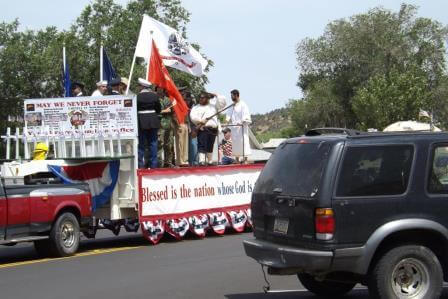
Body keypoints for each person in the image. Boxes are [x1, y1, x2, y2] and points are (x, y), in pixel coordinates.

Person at [190, 91, 226, 165]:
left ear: (207, 98)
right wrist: (200, 121)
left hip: (212, 129)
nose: (201, 99)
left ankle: (210, 161)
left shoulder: (213, 106)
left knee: (210, 145)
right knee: (202, 145)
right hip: (203, 128)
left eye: (203, 97)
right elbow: (192, 117)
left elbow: (222, 104)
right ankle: (201, 161)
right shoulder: (196, 107)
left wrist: (216, 95)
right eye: (200, 97)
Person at [137, 78, 161, 168]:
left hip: (142, 121)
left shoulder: (137, 96)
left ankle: (141, 164)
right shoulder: (154, 96)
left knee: (141, 144)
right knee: (153, 143)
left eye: (139, 86)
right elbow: (158, 109)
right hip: (153, 121)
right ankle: (154, 164)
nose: (138, 87)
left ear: (142, 86)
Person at [226, 89, 251, 163]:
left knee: (243, 143)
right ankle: (237, 160)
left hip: (242, 128)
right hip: (234, 129)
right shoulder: (231, 105)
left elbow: (246, 116)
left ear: (237, 95)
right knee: (235, 143)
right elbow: (228, 116)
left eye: (232, 96)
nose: (231, 97)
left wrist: (241, 122)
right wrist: (226, 122)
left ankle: (245, 160)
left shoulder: (243, 104)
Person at [156, 86, 175, 168]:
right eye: (159, 88)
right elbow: (155, 111)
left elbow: (172, 111)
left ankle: (169, 162)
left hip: (168, 125)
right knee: (160, 144)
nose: (160, 89)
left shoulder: (168, 99)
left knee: (169, 145)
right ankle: (159, 162)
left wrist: (169, 110)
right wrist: (164, 111)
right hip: (160, 125)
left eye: (162, 88)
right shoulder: (155, 99)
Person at [174, 87, 190, 167]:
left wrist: (188, 126)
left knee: (185, 144)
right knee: (180, 144)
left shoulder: (183, 102)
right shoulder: (175, 102)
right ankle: (180, 161)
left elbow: (186, 114)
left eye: (184, 93)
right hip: (179, 124)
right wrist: (177, 124)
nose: (184, 95)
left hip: (185, 124)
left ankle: (185, 160)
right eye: (182, 93)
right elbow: (174, 114)